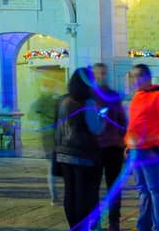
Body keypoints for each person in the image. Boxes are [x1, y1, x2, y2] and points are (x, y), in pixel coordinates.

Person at [125, 62, 159, 231]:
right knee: (143, 190)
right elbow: (133, 124)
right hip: (136, 150)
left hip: (152, 150)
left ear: (147, 77)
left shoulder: (158, 96)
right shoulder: (137, 96)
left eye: (138, 76)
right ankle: (143, 225)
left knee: (156, 190)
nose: (135, 79)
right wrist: (128, 145)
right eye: (133, 76)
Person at [56, 67, 106, 228]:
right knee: (83, 195)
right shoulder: (88, 102)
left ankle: (73, 226)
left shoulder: (63, 100)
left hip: (63, 153)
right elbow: (95, 128)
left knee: (70, 192)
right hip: (83, 154)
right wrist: (102, 117)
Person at [92, 62, 127, 229]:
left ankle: (114, 221)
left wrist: (121, 139)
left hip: (113, 147)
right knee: (92, 188)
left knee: (113, 187)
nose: (100, 76)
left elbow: (122, 119)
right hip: (94, 148)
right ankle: (96, 221)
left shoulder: (113, 95)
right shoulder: (88, 96)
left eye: (103, 73)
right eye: (97, 73)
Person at [27, 74, 64, 204]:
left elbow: (30, 115)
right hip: (57, 138)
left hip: (47, 138)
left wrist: (41, 121)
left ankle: (54, 196)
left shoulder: (41, 100)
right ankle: (58, 195)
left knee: (51, 167)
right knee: (61, 166)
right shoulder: (55, 100)